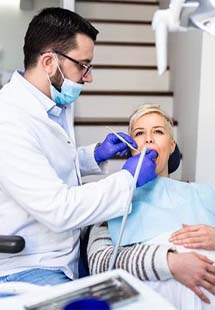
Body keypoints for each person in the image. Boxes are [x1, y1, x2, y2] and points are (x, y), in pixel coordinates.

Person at [0, 7, 163, 286]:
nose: (88, 78)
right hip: (31, 266)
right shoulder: (9, 119)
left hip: (69, 253)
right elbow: (59, 208)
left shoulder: (49, 105)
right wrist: (127, 179)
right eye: (83, 66)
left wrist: (94, 155)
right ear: (50, 62)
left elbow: (46, 163)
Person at [87, 104, 215, 308]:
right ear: (130, 148)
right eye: (139, 133)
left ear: (172, 146)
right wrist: (171, 263)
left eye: (158, 131)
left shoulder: (203, 194)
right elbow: (99, 264)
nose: (148, 139)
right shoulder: (113, 199)